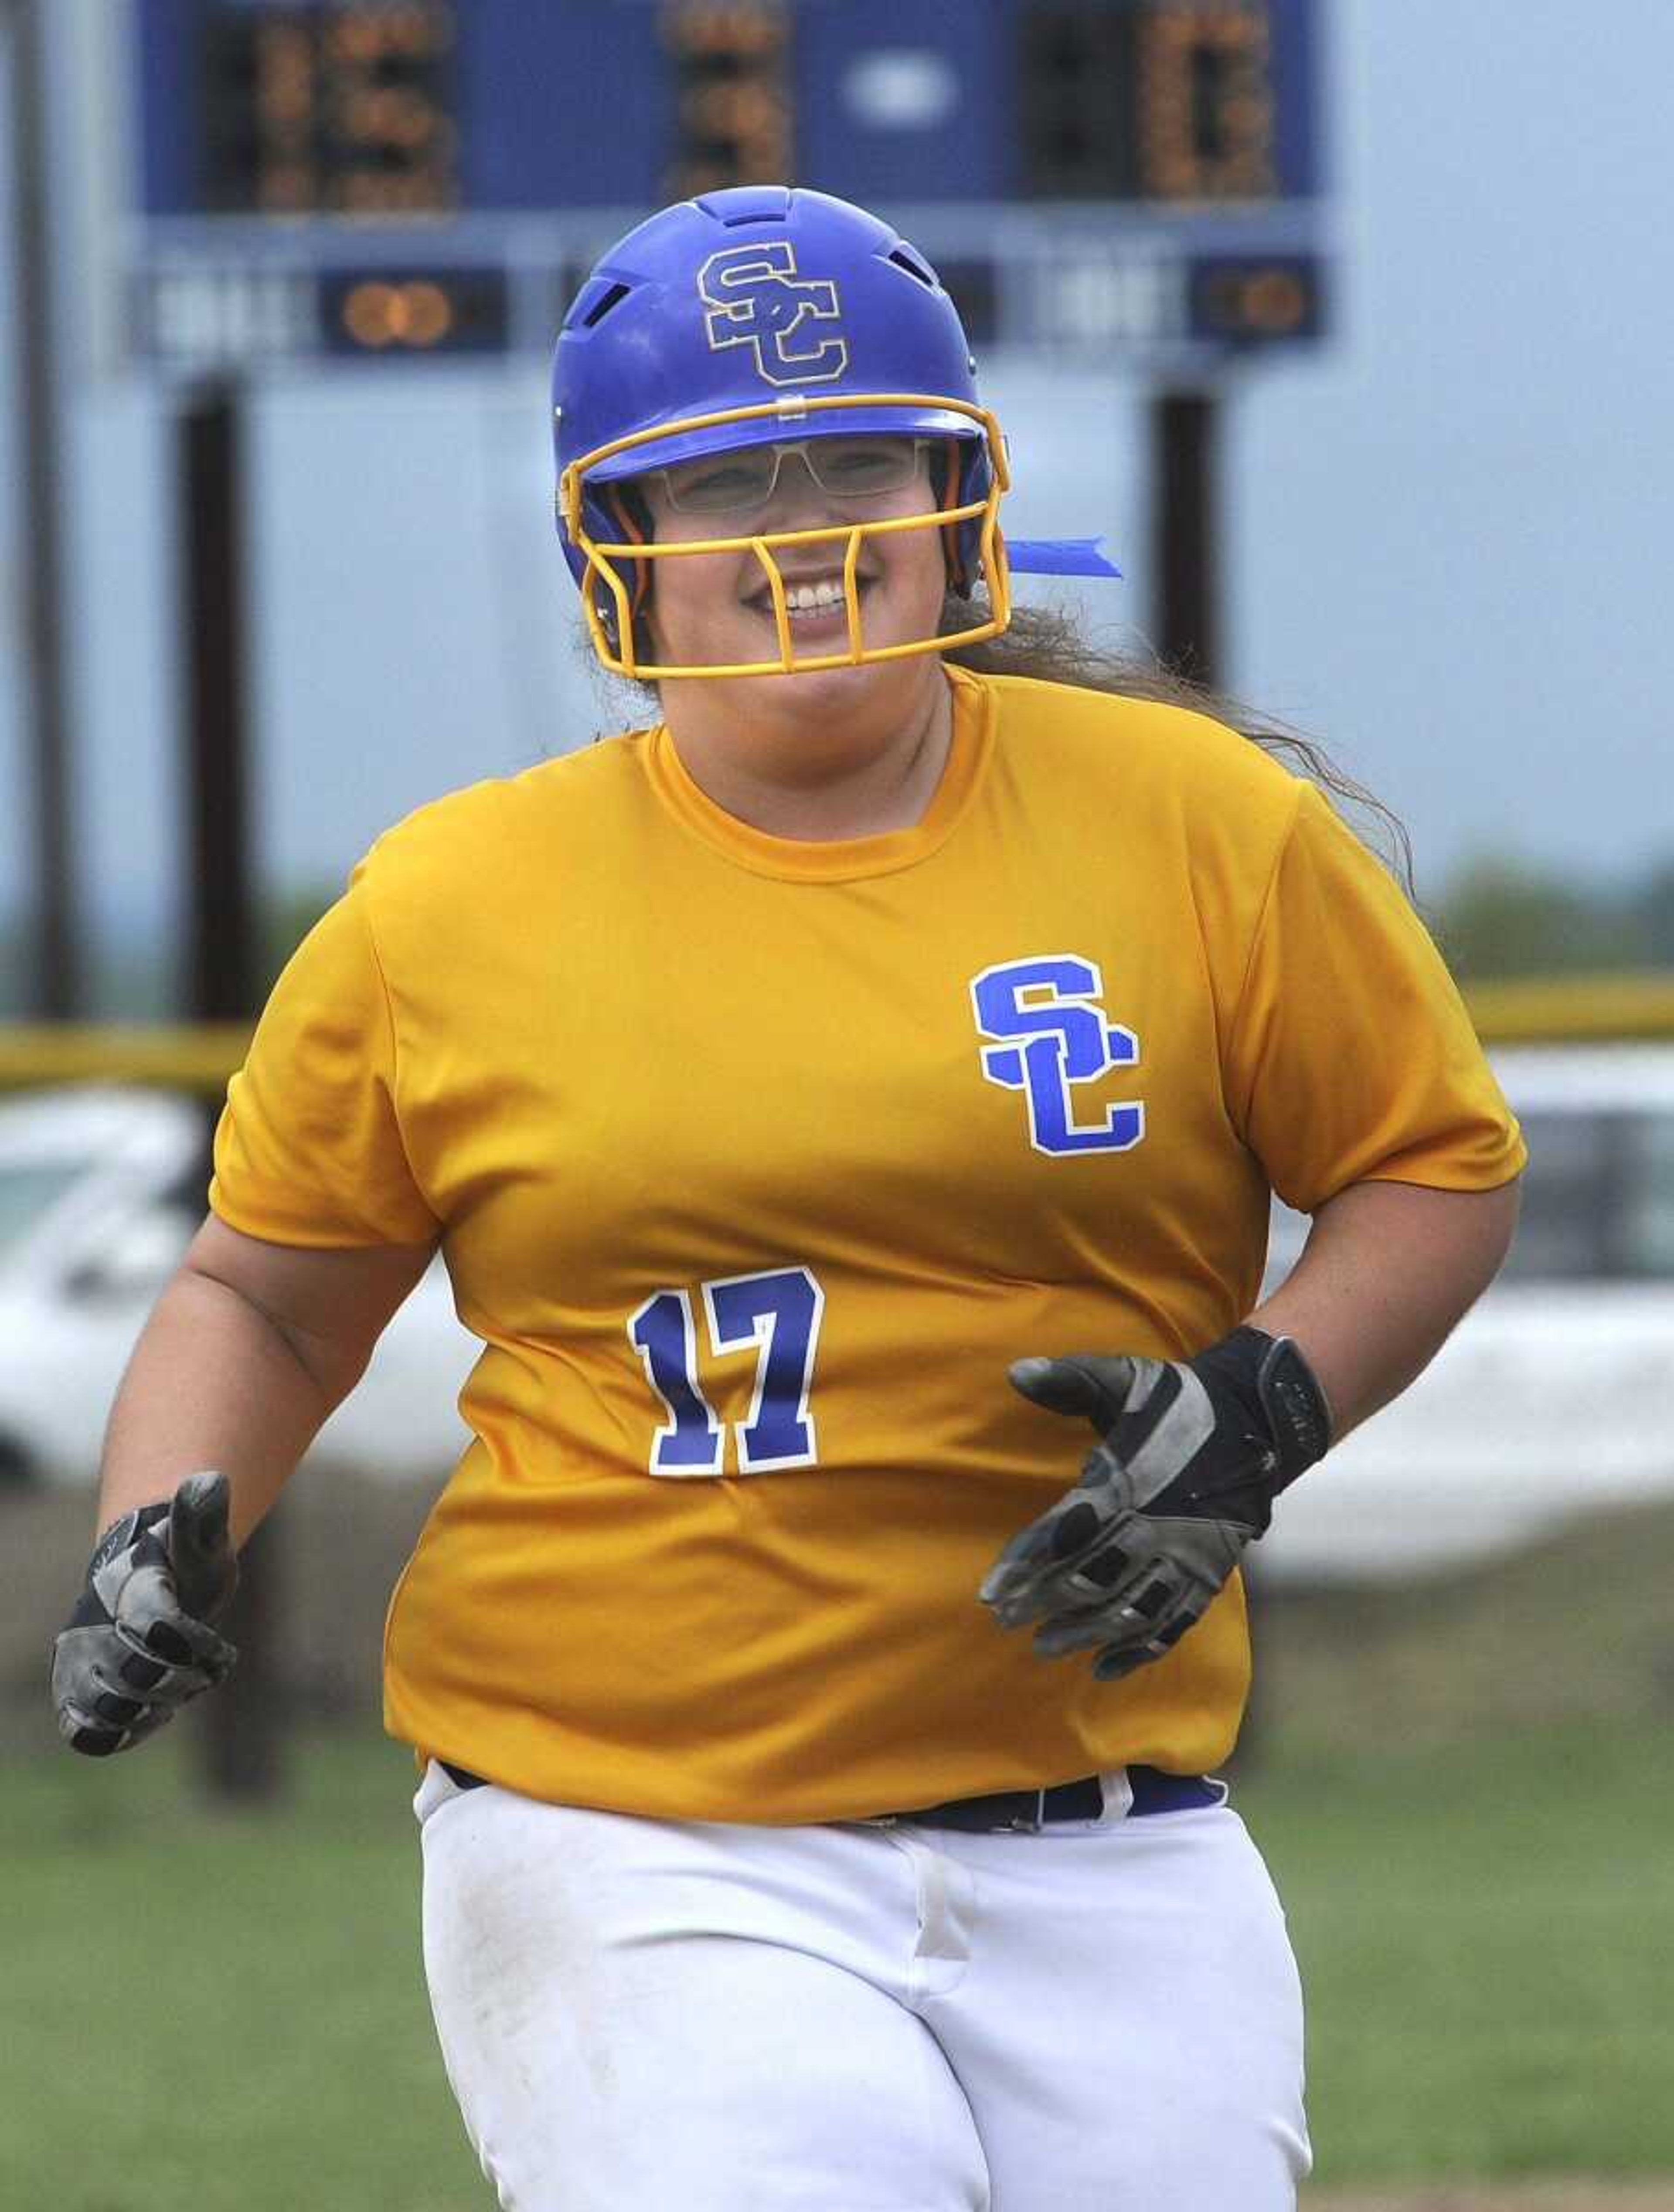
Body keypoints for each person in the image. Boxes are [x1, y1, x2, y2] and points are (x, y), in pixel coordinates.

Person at [52, 185, 1524, 2212]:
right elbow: (268, 1298)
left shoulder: (1193, 828)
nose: (803, 525)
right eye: (728, 478)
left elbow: (1428, 1167)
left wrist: (1269, 1406)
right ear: (620, 543)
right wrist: (152, 1527)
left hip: (1111, 1821)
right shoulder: (450, 910)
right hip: (630, 1824)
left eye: (854, 460)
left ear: (958, 497)